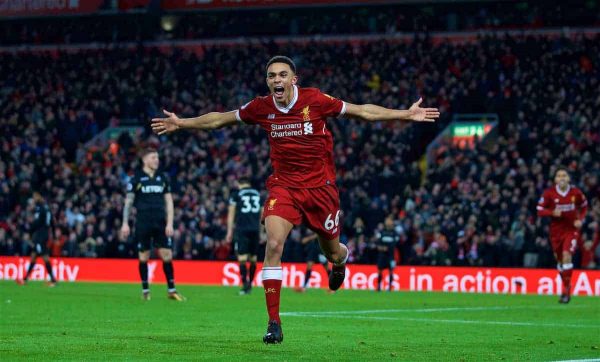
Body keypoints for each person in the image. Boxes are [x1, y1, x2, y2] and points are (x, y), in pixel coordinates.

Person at [151, 55, 439, 343]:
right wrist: (182, 123)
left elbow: (363, 111)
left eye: (282, 75)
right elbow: (220, 120)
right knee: (274, 244)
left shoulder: (315, 100)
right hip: (284, 187)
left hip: (321, 189)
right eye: (272, 76)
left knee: (332, 251)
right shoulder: (260, 107)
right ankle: (273, 322)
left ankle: (340, 261)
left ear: (293, 79)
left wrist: (404, 114)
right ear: (268, 81)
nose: (277, 80)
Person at [120, 147, 186, 302]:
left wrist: (170, 223)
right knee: (143, 256)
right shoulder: (136, 178)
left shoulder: (162, 178)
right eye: (153, 157)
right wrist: (125, 223)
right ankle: (145, 290)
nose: (157, 160)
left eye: (157, 157)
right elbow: (128, 203)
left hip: (160, 222)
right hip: (143, 222)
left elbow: (169, 202)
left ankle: (171, 290)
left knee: (167, 255)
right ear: (144, 160)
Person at [537, 167, 588, 304]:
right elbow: (539, 210)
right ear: (555, 180)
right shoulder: (549, 193)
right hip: (556, 232)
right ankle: (567, 284)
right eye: (559, 176)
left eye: (564, 175)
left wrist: (580, 219)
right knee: (559, 261)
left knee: (567, 256)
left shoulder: (575, 192)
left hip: (571, 230)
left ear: (568, 178)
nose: (562, 178)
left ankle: (566, 290)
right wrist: (552, 212)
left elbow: (584, 206)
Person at [226, 177, 263, 295]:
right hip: (255, 229)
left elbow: (231, 214)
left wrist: (229, 232)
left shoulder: (236, 194)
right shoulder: (258, 194)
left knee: (242, 258)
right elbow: (263, 213)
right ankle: (250, 285)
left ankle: (245, 286)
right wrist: (262, 231)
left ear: (239, 184)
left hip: (242, 229)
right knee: (253, 259)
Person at [16, 192, 57, 286]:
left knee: (45, 256)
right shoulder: (47, 209)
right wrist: (53, 235)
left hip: (40, 236)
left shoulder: (39, 208)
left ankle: (53, 280)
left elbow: (37, 223)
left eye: (34, 197)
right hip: (45, 234)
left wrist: (29, 232)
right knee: (33, 256)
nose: (33, 199)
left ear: (38, 197)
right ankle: (25, 279)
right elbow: (52, 223)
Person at [375, 217, 400, 292]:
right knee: (379, 270)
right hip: (382, 255)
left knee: (391, 271)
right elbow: (378, 242)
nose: (388, 222)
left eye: (390, 221)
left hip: (390, 255)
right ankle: (378, 286)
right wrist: (380, 247)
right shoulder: (382, 232)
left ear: (392, 223)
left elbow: (395, 243)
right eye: (387, 221)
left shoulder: (394, 233)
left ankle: (389, 287)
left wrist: (388, 248)